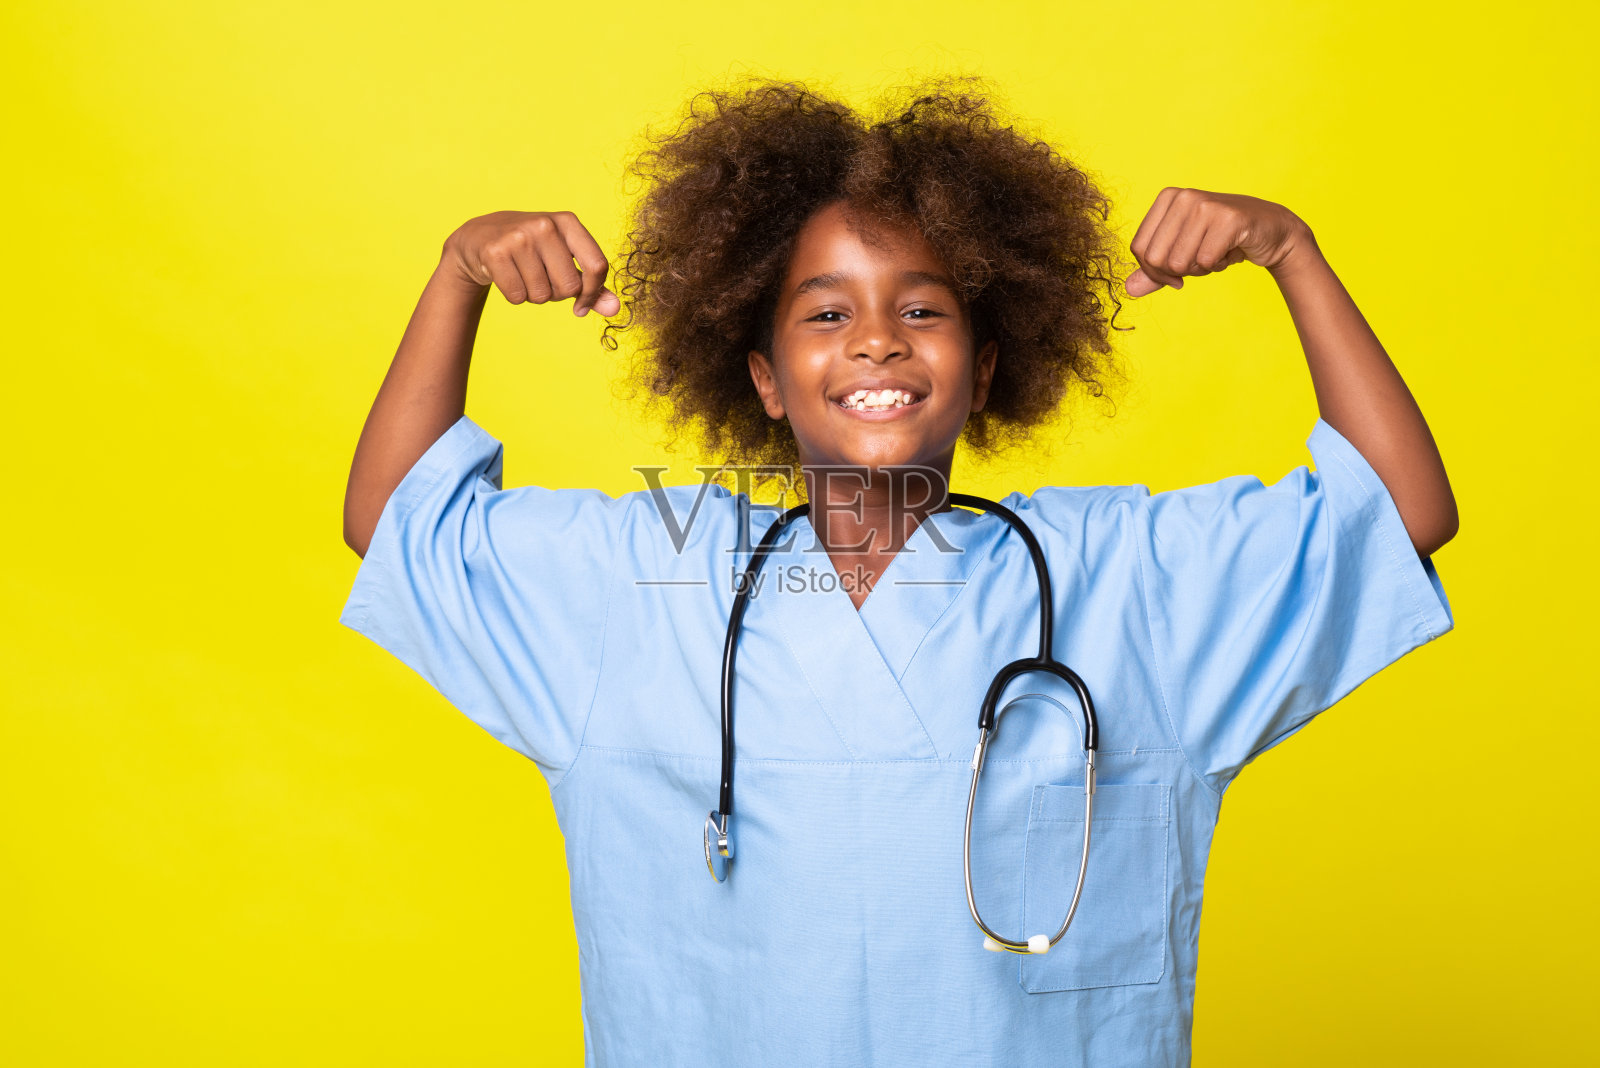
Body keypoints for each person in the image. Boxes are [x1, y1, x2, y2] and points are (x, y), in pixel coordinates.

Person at [339, 77, 1456, 1067]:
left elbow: (1401, 512)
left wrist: (1288, 254)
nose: (876, 340)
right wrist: (460, 275)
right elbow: (396, 525)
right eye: (826, 313)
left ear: (986, 367)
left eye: (923, 309)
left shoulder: (1121, 578)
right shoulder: (650, 577)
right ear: (765, 379)